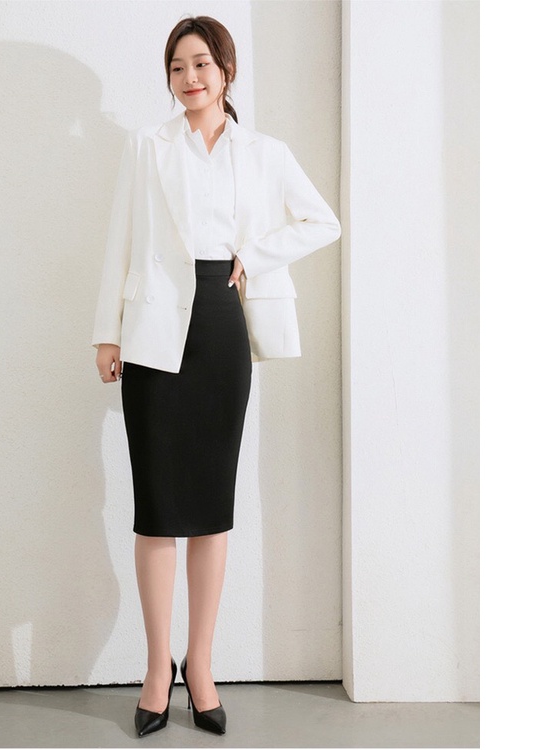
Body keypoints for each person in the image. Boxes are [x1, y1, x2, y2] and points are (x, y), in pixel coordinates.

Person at [92, 15, 341, 737]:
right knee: (156, 506)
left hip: (221, 322)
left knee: (210, 503)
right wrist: (106, 331)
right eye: (177, 67)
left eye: (201, 63)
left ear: (227, 71)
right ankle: (155, 668)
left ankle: (199, 665)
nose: (189, 78)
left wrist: (252, 258)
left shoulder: (264, 153)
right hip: (151, 330)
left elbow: (322, 221)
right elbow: (120, 238)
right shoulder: (147, 146)